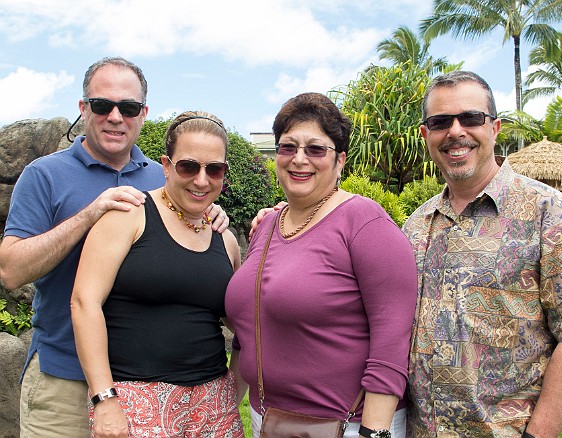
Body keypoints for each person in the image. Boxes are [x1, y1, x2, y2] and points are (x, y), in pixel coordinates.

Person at [0, 57, 228, 437]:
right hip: (66, 377)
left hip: (142, 387)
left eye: (129, 107)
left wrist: (208, 212)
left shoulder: (166, 176)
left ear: (143, 113)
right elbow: (11, 271)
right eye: (103, 105)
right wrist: (88, 215)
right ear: (83, 108)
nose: (116, 117)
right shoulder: (44, 175)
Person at [225, 92, 418, 438]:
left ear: (340, 159)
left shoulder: (365, 223)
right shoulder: (267, 225)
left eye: (315, 149)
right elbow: (251, 324)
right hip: (268, 418)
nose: (300, 159)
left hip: (347, 426)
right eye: (288, 147)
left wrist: (374, 432)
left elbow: (392, 338)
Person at [403, 71, 562, 437]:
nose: (455, 132)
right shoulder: (417, 224)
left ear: (495, 128)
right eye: (440, 122)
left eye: (470, 118)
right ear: (426, 135)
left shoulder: (549, 212)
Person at [70, 111, 243, 437]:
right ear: (166, 165)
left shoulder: (226, 239)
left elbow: (244, 324)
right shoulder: (128, 217)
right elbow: (84, 302)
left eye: (214, 169)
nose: (202, 180)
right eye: (188, 166)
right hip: (135, 399)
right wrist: (104, 399)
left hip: (212, 402)